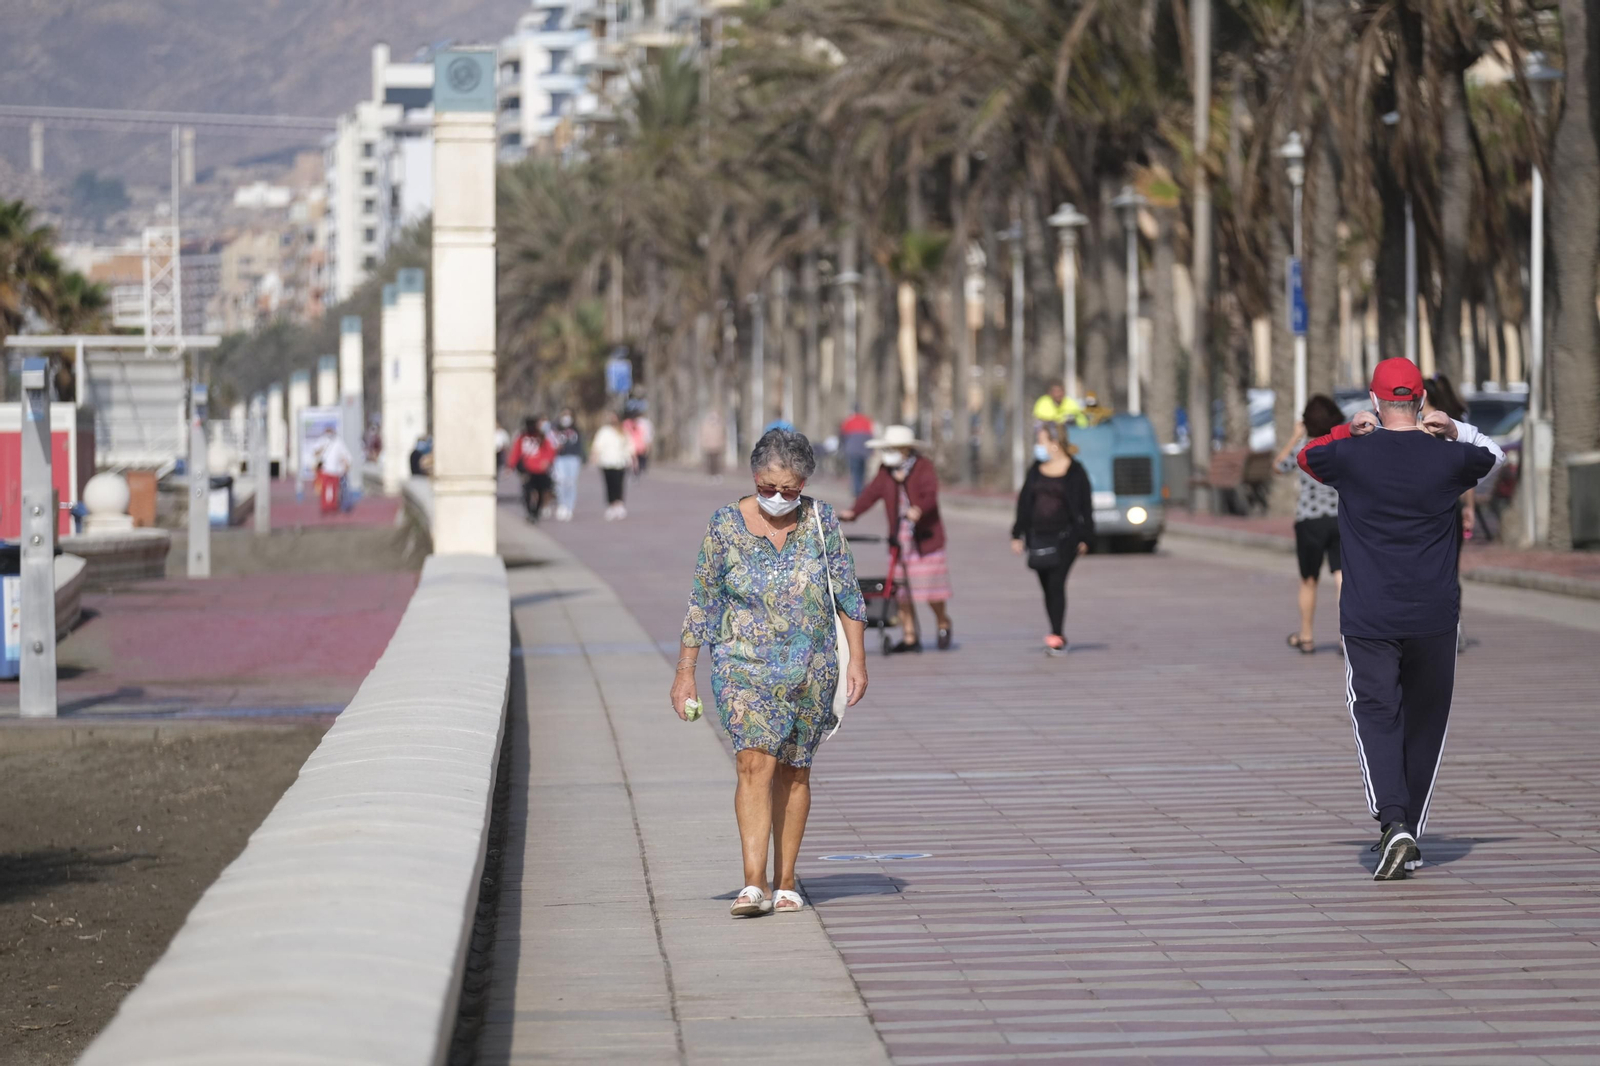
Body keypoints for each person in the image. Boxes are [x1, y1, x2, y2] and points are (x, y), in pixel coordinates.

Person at [1298, 357, 1504, 880]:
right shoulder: (1449, 457)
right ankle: (1407, 828)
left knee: (1376, 714)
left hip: (1369, 614)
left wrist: (1349, 428)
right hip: (1435, 613)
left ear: (1375, 400)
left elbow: (1305, 455)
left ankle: (1394, 823)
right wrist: (1455, 428)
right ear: (1419, 401)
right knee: (1425, 722)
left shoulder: (1351, 454)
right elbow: (1493, 453)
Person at [671, 428, 868, 917]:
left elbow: (848, 593)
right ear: (754, 477)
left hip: (810, 669)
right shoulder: (723, 526)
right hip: (743, 668)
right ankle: (753, 882)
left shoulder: (821, 521)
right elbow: (702, 603)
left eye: (790, 490)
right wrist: (685, 673)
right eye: (768, 487)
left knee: (795, 771)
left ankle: (786, 881)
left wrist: (858, 662)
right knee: (753, 764)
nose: (779, 498)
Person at [840, 425, 955, 652]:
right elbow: (871, 493)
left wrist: (919, 509)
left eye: (894, 449)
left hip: (925, 539)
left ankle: (942, 621)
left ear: (905, 449)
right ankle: (910, 635)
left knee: (931, 590)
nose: (889, 453)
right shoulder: (886, 471)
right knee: (900, 591)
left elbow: (930, 494)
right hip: (900, 539)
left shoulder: (923, 467)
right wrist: (854, 512)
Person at [1011, 423, 1094, 655]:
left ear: (1055, 445)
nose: (1038, 447)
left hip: (1066, 538)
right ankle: (1056, 630)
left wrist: (1087, 536)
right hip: (1038, 538)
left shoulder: (1076, 472)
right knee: (1047, 586)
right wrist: (1017, 534)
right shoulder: (1036, 469)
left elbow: (1086, 506)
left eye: (1041, 441)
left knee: (1057, 583)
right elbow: (1024, 503)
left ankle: (1057, 634)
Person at [1272, 394, 1346, 654]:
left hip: (1309, 521)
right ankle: (1344, 637)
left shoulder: (1304, 446)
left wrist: (1295, 436)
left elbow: (1279, 466)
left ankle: (1306, 636)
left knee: (1308, 580)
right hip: (1340, 518)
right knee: (1342, 577)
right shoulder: (1341, 444)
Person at [1423, 375, 1474, 653]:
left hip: (1429, 510)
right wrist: (1469, 508)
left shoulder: (1422, 425)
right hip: (1451, 507)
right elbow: (1466, 473)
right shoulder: (1452, 423)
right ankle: (1454, 628)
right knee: (1450, 570)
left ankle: (1444, 629)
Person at [508, 417, 556, 522]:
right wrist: (511, 465)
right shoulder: (521, 437)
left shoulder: (542, 437)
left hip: (541, 470)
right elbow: (516, 452)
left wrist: (547, 462)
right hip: (527, 469)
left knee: (541, 491)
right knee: (527, 492)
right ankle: (530, 512)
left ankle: (536, 512)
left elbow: (551, 451)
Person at [591, 410, 635, 520]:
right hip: (606, 462)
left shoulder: (623, 432)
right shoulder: (604, 431)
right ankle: (611, 505)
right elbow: (597, 445)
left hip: (619, 462)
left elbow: (629, 446)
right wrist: (594, 455)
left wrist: (632, 458)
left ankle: (619, 504)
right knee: (609, 484)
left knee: (618, 484)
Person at [550, 409, 583, 521]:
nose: (566, 418)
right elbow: (551, 442)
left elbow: (580, 444)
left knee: (571, 482)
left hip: (573, 458)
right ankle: (562, 504)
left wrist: (582, 457)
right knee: (560, 481)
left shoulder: (576, 429)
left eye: (568, 415)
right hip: (560, 458)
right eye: (564, 415)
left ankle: (569, 506)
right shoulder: (556, 429)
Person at [311, 426, 352, 516]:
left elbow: (345, 455)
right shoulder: (323, 440)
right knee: (326, 489)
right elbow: (315, 452)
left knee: (333, 489)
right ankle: (326, 507)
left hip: (335, 471)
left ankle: (331, 506)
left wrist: (346, 464)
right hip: (325, 470)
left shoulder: (338, 442)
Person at [839, 409, 875, 497]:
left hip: (852, 451)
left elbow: (842, 436)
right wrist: (871, 451)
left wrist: (842, 448)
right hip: (863, 451)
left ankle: (857, 490)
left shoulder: (849, 422)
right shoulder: (866, 422)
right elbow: (870, 436)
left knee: (855, 471)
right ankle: (860, 489)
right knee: (862, 470)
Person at [624, 407, 654, 477]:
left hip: (638, 444)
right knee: (633, 458)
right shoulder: (628, 423)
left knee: (638, 458)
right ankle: (635, 469)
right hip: (632, 443)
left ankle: (638, 469)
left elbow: (644, 434)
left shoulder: (641, 423)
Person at [700, 410, 726, 480]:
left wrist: (722, 444)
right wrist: (704, 444)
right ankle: (710, 475)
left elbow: (722, 435)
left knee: (716, 462)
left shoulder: (719, 426)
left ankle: (716, 474)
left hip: (717, 446)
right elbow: (704, 436)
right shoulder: (706, 426)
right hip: (709, 446)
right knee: (710, 462)